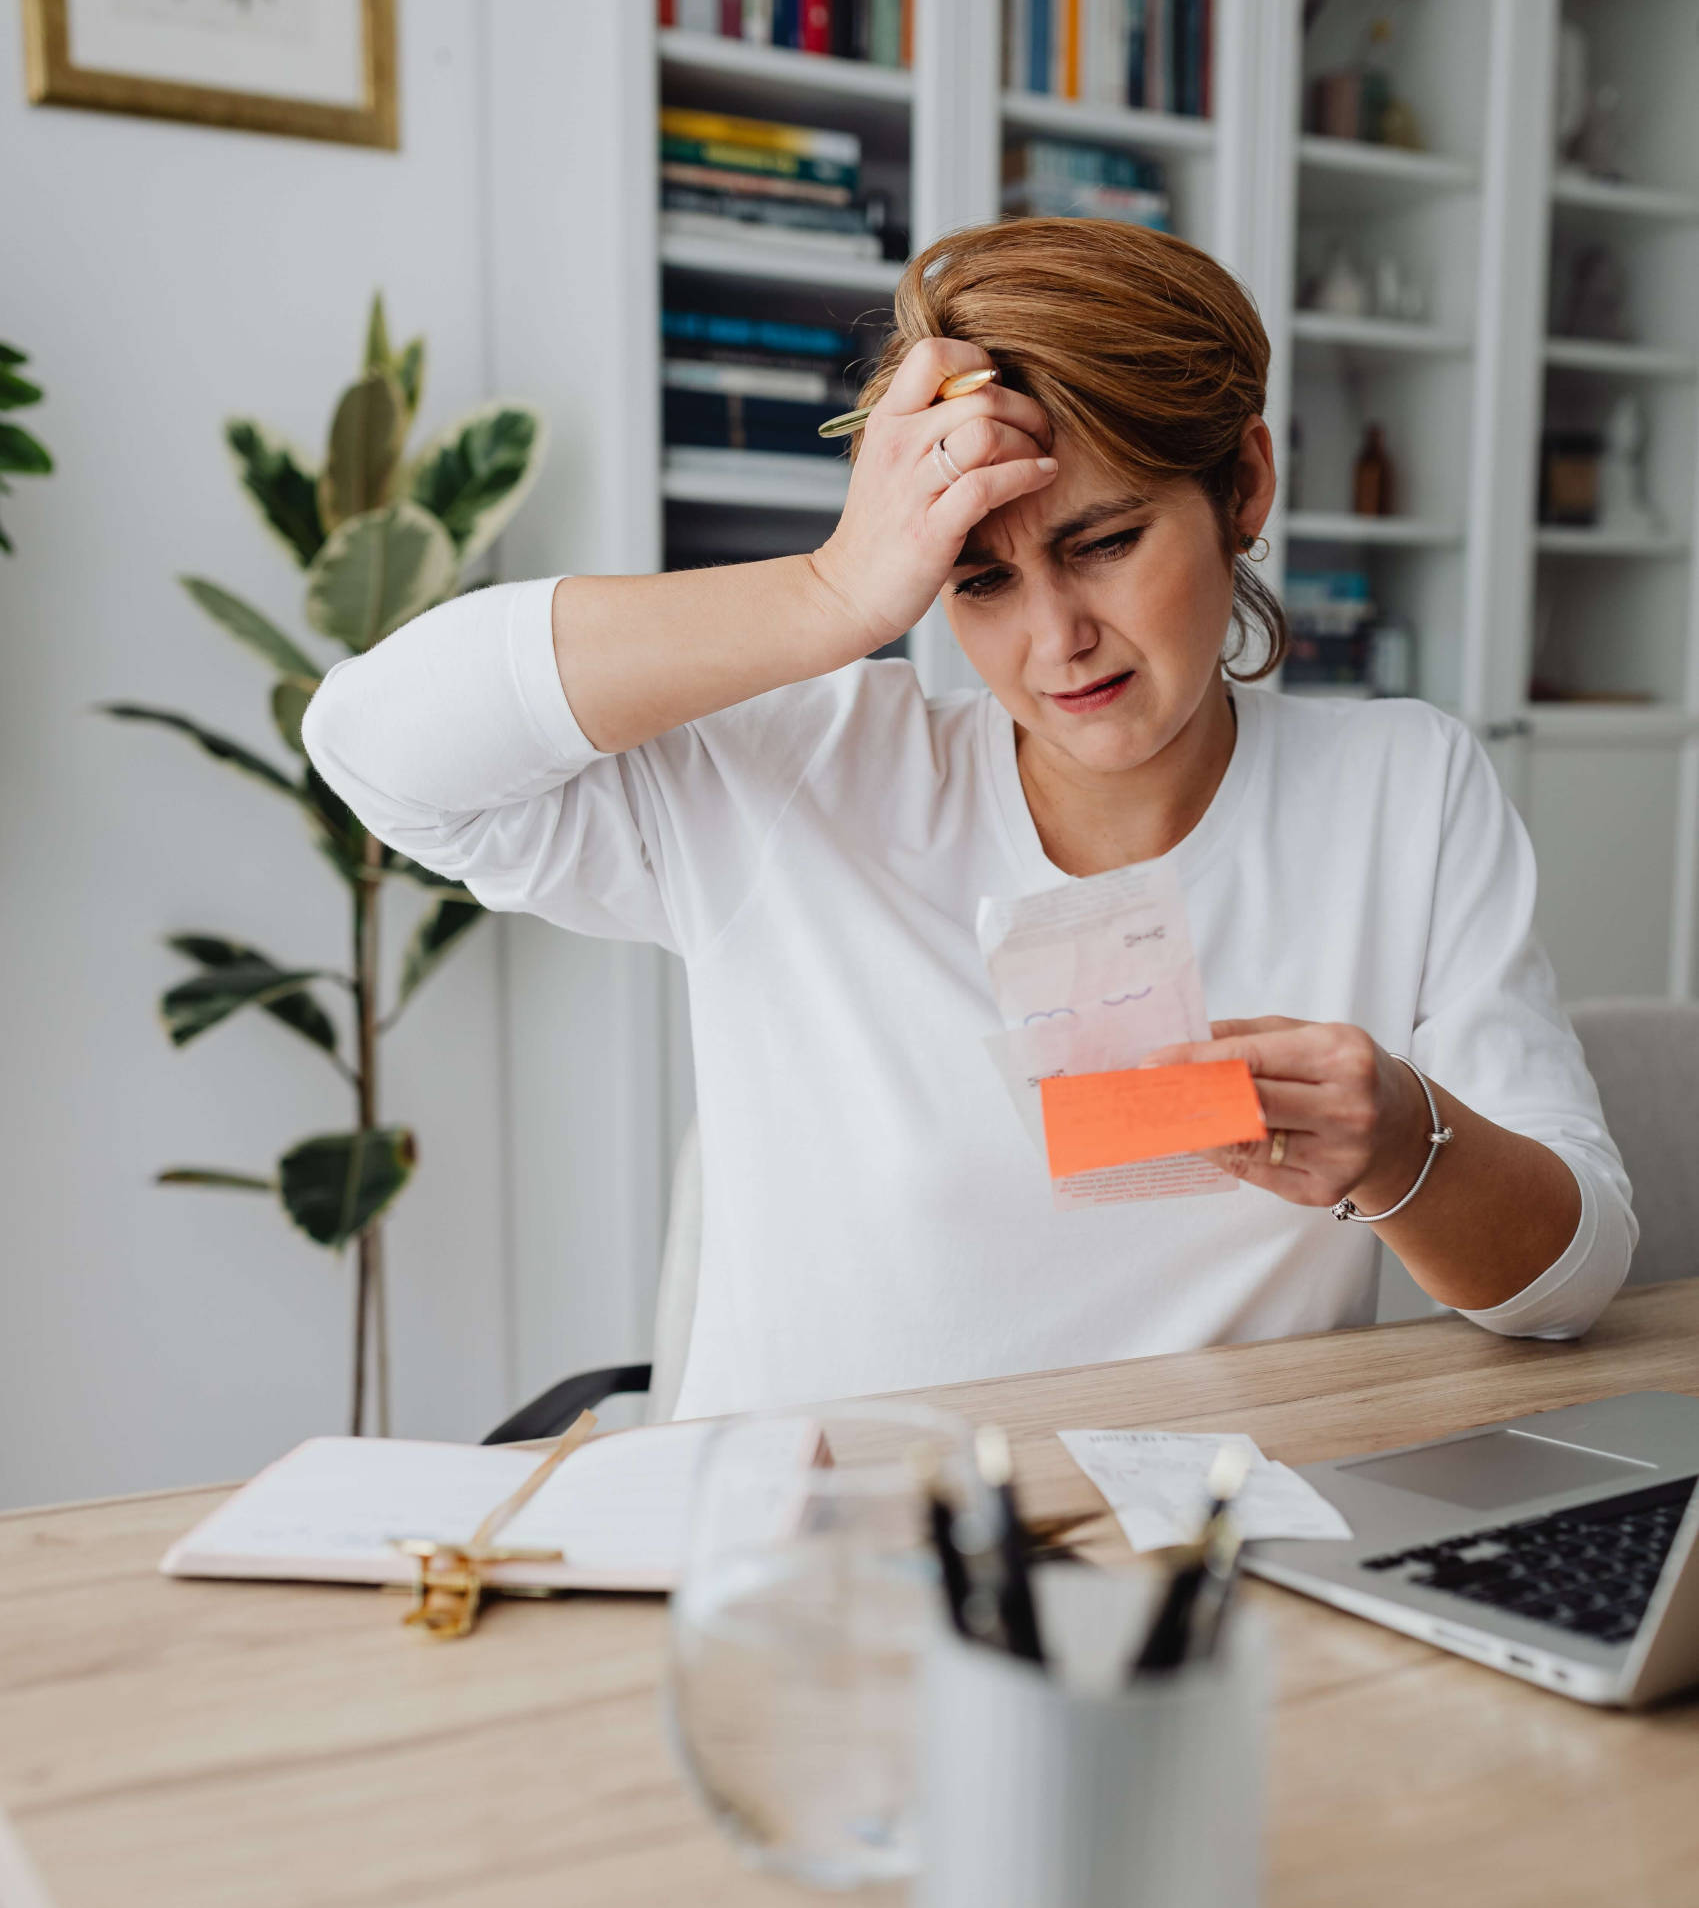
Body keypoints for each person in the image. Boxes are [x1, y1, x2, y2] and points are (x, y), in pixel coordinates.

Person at [304, 217, 1634, 1420]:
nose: (1057, 640)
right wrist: (832, 596)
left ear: (1243, 487)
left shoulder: (1403, 791)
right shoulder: (804, 779)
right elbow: (373, 746)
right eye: (980, 577)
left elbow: (1567, 1284)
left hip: (1205, 1576)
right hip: (817, 1584)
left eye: (1105, 542)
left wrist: (1406, 1144)